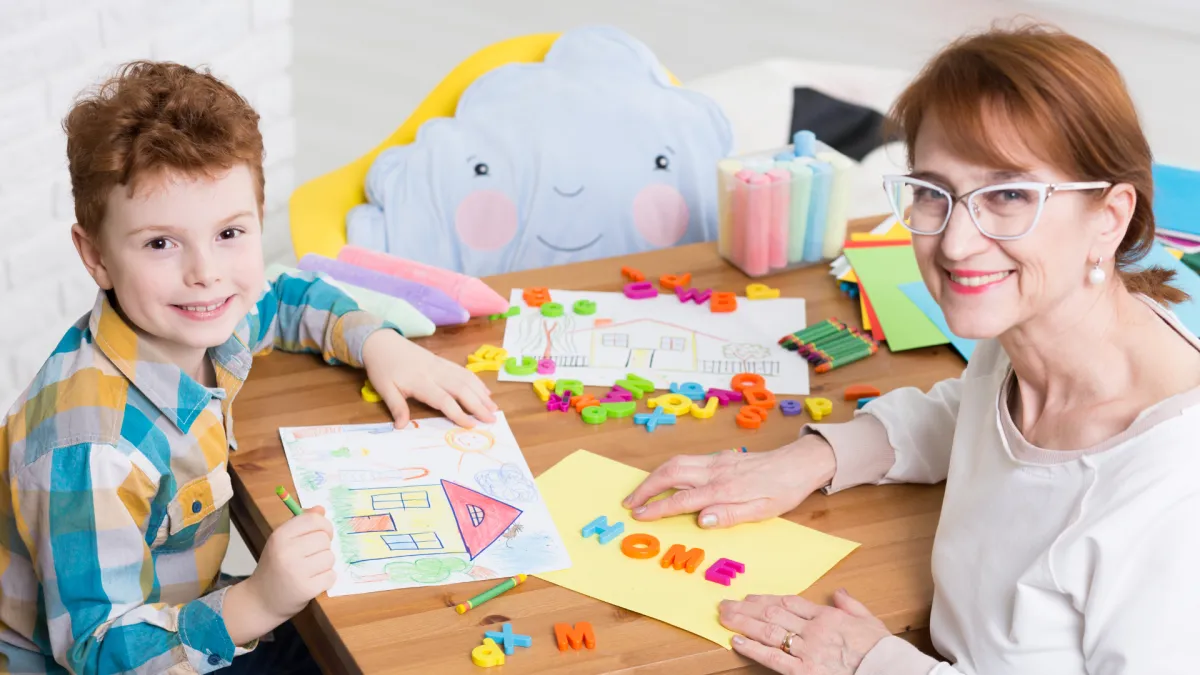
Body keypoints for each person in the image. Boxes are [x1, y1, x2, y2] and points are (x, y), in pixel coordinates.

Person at [624, 24, 1200, 675]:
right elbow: (972, 410)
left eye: (1008, 194)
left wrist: (881, 664)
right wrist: (813, 457)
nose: (954, 244)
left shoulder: (1174, 498)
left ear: (1110, 216)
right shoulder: (1028, 339)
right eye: (933, 192)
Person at [0, 61, 498, 674]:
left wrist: (380, 346)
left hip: (186, 612)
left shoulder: (207, 316)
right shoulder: (92, 450)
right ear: (95, 256)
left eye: (231, 232)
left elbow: (286, 297)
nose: (205, 271)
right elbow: (101, 653)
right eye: (161, 243)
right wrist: (255, 603)